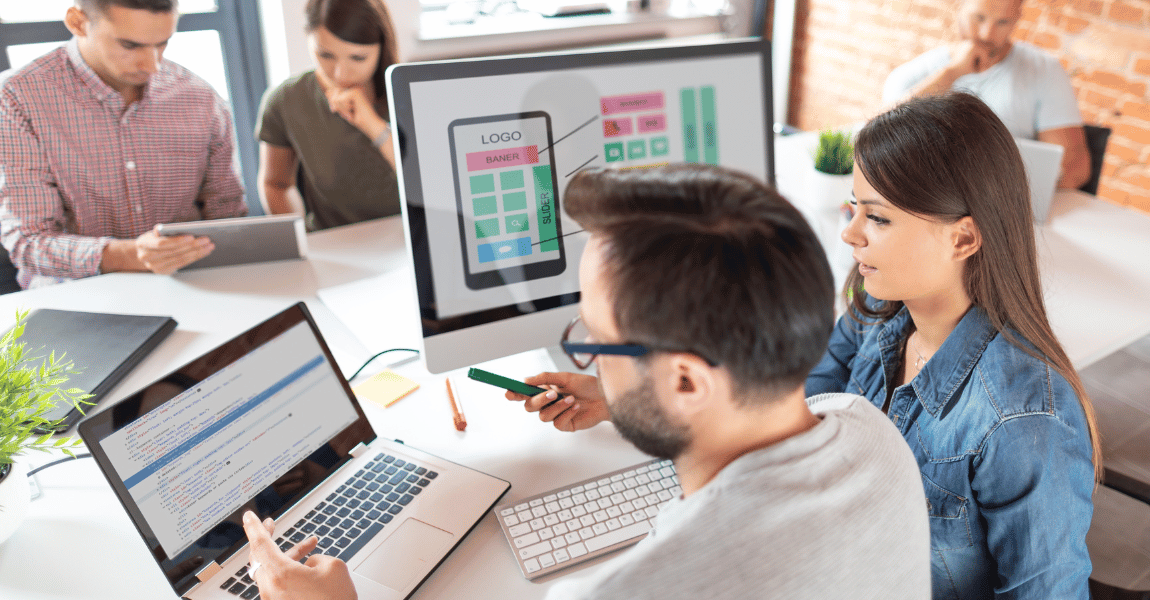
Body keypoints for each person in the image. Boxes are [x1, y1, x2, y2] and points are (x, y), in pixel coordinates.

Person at [242, 164, 932, 599]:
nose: (590, 358)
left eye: (597, 343)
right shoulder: (868, 430)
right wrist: (628, 399)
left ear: (689, 381)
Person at [801, 92, 1099, 599]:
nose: (850, 234)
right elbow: (806, 413)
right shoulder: (876, 312)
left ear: (963, 240)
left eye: (877, 218)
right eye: (854, 209)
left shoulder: (1022, 420)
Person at [0, 0, 247, 289]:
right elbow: (29, 242)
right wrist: (133, 255)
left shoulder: (201, 98)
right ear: (78, 22)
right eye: (130, 46)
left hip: (191, 285)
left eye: (162, 44)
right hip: (75, 295)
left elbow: (227, 215)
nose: (152, 65)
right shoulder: (17, 98)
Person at [882, 0, 1090, 189]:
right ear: (959, 7)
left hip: (1008, 204)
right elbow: (880, 136)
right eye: (979, 18)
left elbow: (1075, 168)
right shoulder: (912, 75)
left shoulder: (1045, 71)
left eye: (1003, 22)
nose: (987, 34)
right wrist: (952, 73)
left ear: (1017, 18)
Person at [255, 0, 401, 232]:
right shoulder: (286, 100)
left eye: (358, 58)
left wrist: (374, 126)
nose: (341, 73)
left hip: (411, 239)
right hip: (333, 246)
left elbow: (430, 185)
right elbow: (276, 184)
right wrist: (303, 240)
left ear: (382, 45)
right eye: (325, 55)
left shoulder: (411, 90)